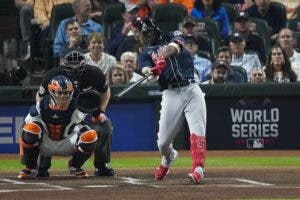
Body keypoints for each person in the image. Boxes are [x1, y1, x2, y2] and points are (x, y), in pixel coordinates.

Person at [138, 18, 207, 184]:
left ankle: (198, 168)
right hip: (170, 92)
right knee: (162, 142)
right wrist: (153, 71)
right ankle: (168, 157)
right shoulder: (145, 52)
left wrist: (162, 59)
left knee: (197, 131)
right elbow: (146, 70)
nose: (148, 35)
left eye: (150, 31)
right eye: (144, 33)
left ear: (156, 29)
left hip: (191, 89)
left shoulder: (173, 35)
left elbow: (176, 46)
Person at [36, 48, 114, 177]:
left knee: (105, 127)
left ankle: (101, 165)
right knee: (45, 128)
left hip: (86, 112)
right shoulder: (52, 75)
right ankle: (42, 166)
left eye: (78, 62)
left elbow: (105, 91)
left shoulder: (95, 73)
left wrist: (101, 110)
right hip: (61, 114)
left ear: (84, 62)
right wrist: (44, 113)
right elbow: (40, 95)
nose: (75, 66)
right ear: (64, 62)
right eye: (72, 63)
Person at [18, 75, 98, 179]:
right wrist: (23, 149)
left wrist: (94, 111)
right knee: (31, 129)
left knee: (90, 135)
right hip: (45, 143)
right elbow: (26, 126)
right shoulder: (42, 104)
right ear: (51, 91)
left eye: (67, 93)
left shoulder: (77, 104)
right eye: (60, 93)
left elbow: (89, 121)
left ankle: (75, 166)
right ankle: (30, 168)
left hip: (68, 142)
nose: (63, 96)